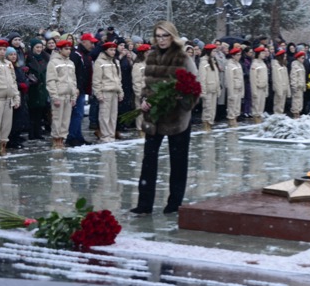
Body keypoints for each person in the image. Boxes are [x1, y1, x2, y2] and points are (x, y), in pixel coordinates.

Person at [131, 21, 198, 215]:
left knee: (178, 162)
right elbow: (147, 86)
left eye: (165, 35)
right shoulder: (151, 56)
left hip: (177, 119)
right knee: (148, 161)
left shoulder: (183, 58)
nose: (161, 39)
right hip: (154, 118)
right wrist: (144, 100)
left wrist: (179, 98)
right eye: (158, 36)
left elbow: (194, 89)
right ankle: (144, 205)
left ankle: (174, 203)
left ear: (173, 36)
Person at [67, 32, 99, 146]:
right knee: (77, 113)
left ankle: (78, 136)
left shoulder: (85, 55)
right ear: (83, 42)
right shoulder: (76, 55)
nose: (93, 46)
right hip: (77, 89)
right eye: (91, 43)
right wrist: (77, 87)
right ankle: (71, 137)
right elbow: (74, 73)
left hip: (82, 88)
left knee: (78, 114)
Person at [46, 40, 78, 149]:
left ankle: (62, 139)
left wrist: (74, 96)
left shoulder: (71, 63)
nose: (68, 51)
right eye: (66, 49)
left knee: (66, 120)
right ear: (60, 50)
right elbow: (51, 81)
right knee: (57, 119)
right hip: (59, 94)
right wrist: (54, 96)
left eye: (69, 49)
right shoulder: (53, 62)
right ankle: (56, 140)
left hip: (68, 95)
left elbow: (73, 81)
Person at [92, 42, 123, 143]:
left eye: (114, 50)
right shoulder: (99, 62)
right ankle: (105, 136)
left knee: (113, 115)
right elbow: (96, 80)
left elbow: (119, 79)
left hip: (115, 91)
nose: (113, 52)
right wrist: (98, 93)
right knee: (104, 115)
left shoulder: (116, 62)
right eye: (111, 50)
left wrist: (120, 91)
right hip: (105, 91)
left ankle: (111, 134)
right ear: (105, 50)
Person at [26, 38, 49, 141]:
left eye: (40, 47)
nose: (39, 49)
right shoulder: (29, 58)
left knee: (40, 112)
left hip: (42, 88)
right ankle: (32, 133)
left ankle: (38, 132)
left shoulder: (45, 58)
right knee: (32, 112)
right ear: (32, 48)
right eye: (37, 47)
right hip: (33, 88)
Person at [198, 43, 220, 130]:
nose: (215, 53)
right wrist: (202, 91)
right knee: (207, 108)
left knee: (212, 109)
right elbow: (202, 79)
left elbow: (217, 77)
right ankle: (206, 124)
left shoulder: (213, 62)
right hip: (207, 90)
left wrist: (218, 88)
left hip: (213, 89)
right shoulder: (203, 63)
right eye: (213, 51)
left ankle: (210, 123)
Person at [224, 46, 244, 127]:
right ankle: (231, 122)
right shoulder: (230, 65)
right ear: (233, 55)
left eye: (240, 55)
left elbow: (241, 78)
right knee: (232, 106)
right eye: (237, 55)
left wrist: (242, 91)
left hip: (239, 88)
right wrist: (231, 93)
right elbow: (229, 80)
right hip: (234, 89)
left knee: (237, 107)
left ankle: (235, 119)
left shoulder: (238, 64)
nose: (239, 56)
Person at [250, 46, 269, 123]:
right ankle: (256, 119)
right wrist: (254, 91)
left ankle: (259, 117)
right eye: (262, 53)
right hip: (257, 87)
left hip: (263, 87)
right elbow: (253, 79)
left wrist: (266, 89)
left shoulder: (263, 63)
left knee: (261, 105)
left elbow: (266, 77)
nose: (264, 54)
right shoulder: (254, 64)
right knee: (256, 105)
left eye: (264, 53)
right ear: (258, 54)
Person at [271, 49, 291, 115]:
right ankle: (276, 116)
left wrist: (288, 90)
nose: (285, 58)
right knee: (278, 104)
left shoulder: (284, 67)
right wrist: (279, 90)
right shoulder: (276, 66)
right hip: (280, 88)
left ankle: (280, 115)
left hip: (284, 88)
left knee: (282, 105)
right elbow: (276, 79)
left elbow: (286, 79)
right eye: (284, 57)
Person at [289, 50, 307, 119]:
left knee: (300, 101)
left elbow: (303, 77)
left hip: (301, 86)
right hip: (297, 86)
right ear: (298, 58)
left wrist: (304, 86)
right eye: (302, 58)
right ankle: (295, 114)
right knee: (296, 101)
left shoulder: (302, 66)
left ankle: (298, 112)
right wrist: (294, 86)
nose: (303, 59)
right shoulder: (295, 66)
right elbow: (293, 76)